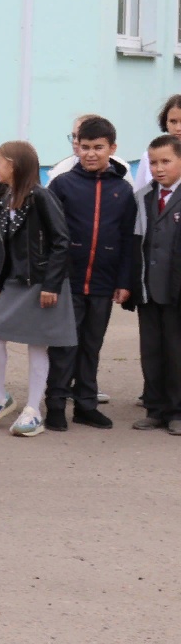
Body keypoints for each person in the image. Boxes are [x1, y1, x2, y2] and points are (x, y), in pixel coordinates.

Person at [0, 141, 76, 436]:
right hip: (16, 283)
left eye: (0, 162)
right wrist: (0, 282)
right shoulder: (7, 197)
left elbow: (61, 241)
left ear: (15, 166)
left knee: (37, 344)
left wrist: (52, 284)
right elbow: (5, 246)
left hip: (42, 283)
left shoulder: (42, 197)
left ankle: (33, 410)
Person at [45, 115, 136, 431]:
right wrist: (51, 280)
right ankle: (55, 405)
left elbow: (128, 239)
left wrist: (125, 281)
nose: (91, 153)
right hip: (68, 280)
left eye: (98, 147)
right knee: (64, 346)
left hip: (103, 281)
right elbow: (49, 235)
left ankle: (85, 405)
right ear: (76, 147)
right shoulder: (63, 184)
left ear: (112, 148)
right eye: (85, 147)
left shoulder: (123, 190)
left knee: (91, 345)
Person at [128, 134, 181, 434]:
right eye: (153, 163)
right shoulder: (144, 197)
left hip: (176, 291)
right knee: (151, 351)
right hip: (149, 289)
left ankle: (177, 410)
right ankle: (155, 407)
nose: (159, 168)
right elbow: (136, 242)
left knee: (176, 352)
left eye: (166, 161)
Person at [129, 95, 181, 193]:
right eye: (173, 121)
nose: (178, 128)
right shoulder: (149, 157)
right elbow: (139, 197)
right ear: (165, 122)